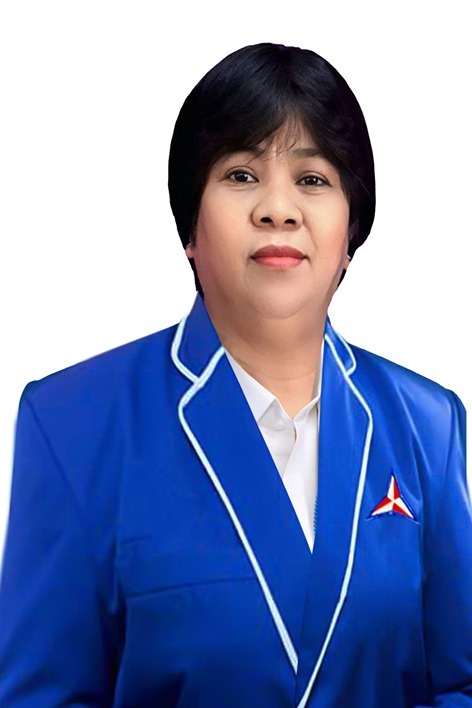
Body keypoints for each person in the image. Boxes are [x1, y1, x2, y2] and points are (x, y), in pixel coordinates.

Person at [0, 41, 470, 707]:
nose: (278, 208)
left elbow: (460, 683)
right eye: (242, 174)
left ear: (351, 231)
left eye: (313, 179)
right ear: (189, 228)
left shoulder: (429, 425)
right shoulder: (72, 424)